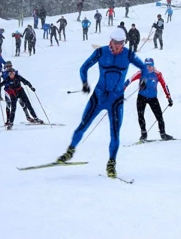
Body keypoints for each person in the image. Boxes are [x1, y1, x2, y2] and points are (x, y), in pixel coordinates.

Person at [55, 28, 148, 178]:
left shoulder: (128, 54)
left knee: (115, 134)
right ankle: (70, 151)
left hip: (116, 100)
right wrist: (85, 83)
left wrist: (143, 79)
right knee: (83, 125)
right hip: (98, 97)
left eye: (121, 43)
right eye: (116, 42)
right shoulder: (101, 52)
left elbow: (144, 67)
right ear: (110, 41)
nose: (118, 46)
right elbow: (83, 68)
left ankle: (111, 163)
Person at [124, 57, 174, 141]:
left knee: (159, 117)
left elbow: (164, 85)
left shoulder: (158, 74)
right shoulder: (141, 72)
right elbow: (129, 80)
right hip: (141, 97)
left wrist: (168, 97)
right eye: (146, 66)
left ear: (153, 66)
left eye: (150, 66)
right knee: (140, 116)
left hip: (153, 98)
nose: (148, 67)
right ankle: (143, 134)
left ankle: (163, 134)